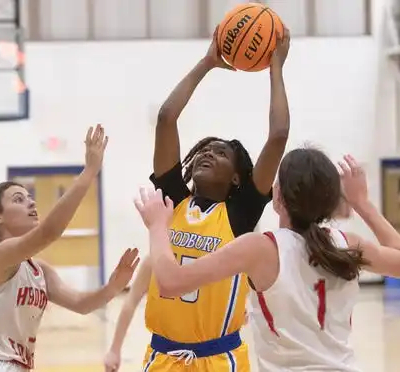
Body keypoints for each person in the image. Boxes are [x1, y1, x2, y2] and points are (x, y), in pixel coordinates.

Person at [106, 28, 291, 372]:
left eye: (220, 153)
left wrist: (275, 67)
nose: (207, 154)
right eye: (204, 149)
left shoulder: (239, 214)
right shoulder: (172, 202)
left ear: (237, 177)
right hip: (162, 358)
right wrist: (206, 63)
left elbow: (278, 136)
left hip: (219, 360)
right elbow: (166, 118)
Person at [134, 152, 400, 371]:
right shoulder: (347, 243)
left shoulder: (261, 249)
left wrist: (158, 228)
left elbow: (170, 282)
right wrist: (363, 203)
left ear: (277, 196)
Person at [0, 125, 140, 372]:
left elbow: (82, 304)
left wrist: (113, 287)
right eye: (18, 199)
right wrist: (89, 172)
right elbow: (49, 233)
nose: (31, 202)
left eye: (29, 197)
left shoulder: (38, 270)